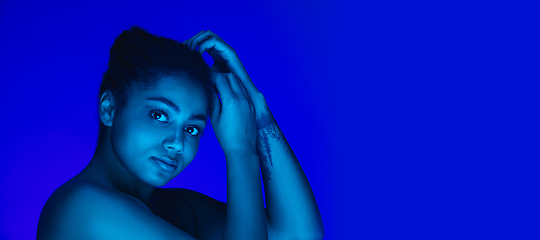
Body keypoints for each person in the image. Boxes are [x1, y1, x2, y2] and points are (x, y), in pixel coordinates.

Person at [37, 26, 324, 240]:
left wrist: (254, 105)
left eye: (192, 128)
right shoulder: (82, 207)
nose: (177, 142)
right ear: (109, 108)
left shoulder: (177, 207)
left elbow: (298, 232)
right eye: (159, 115)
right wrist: (240, 150)